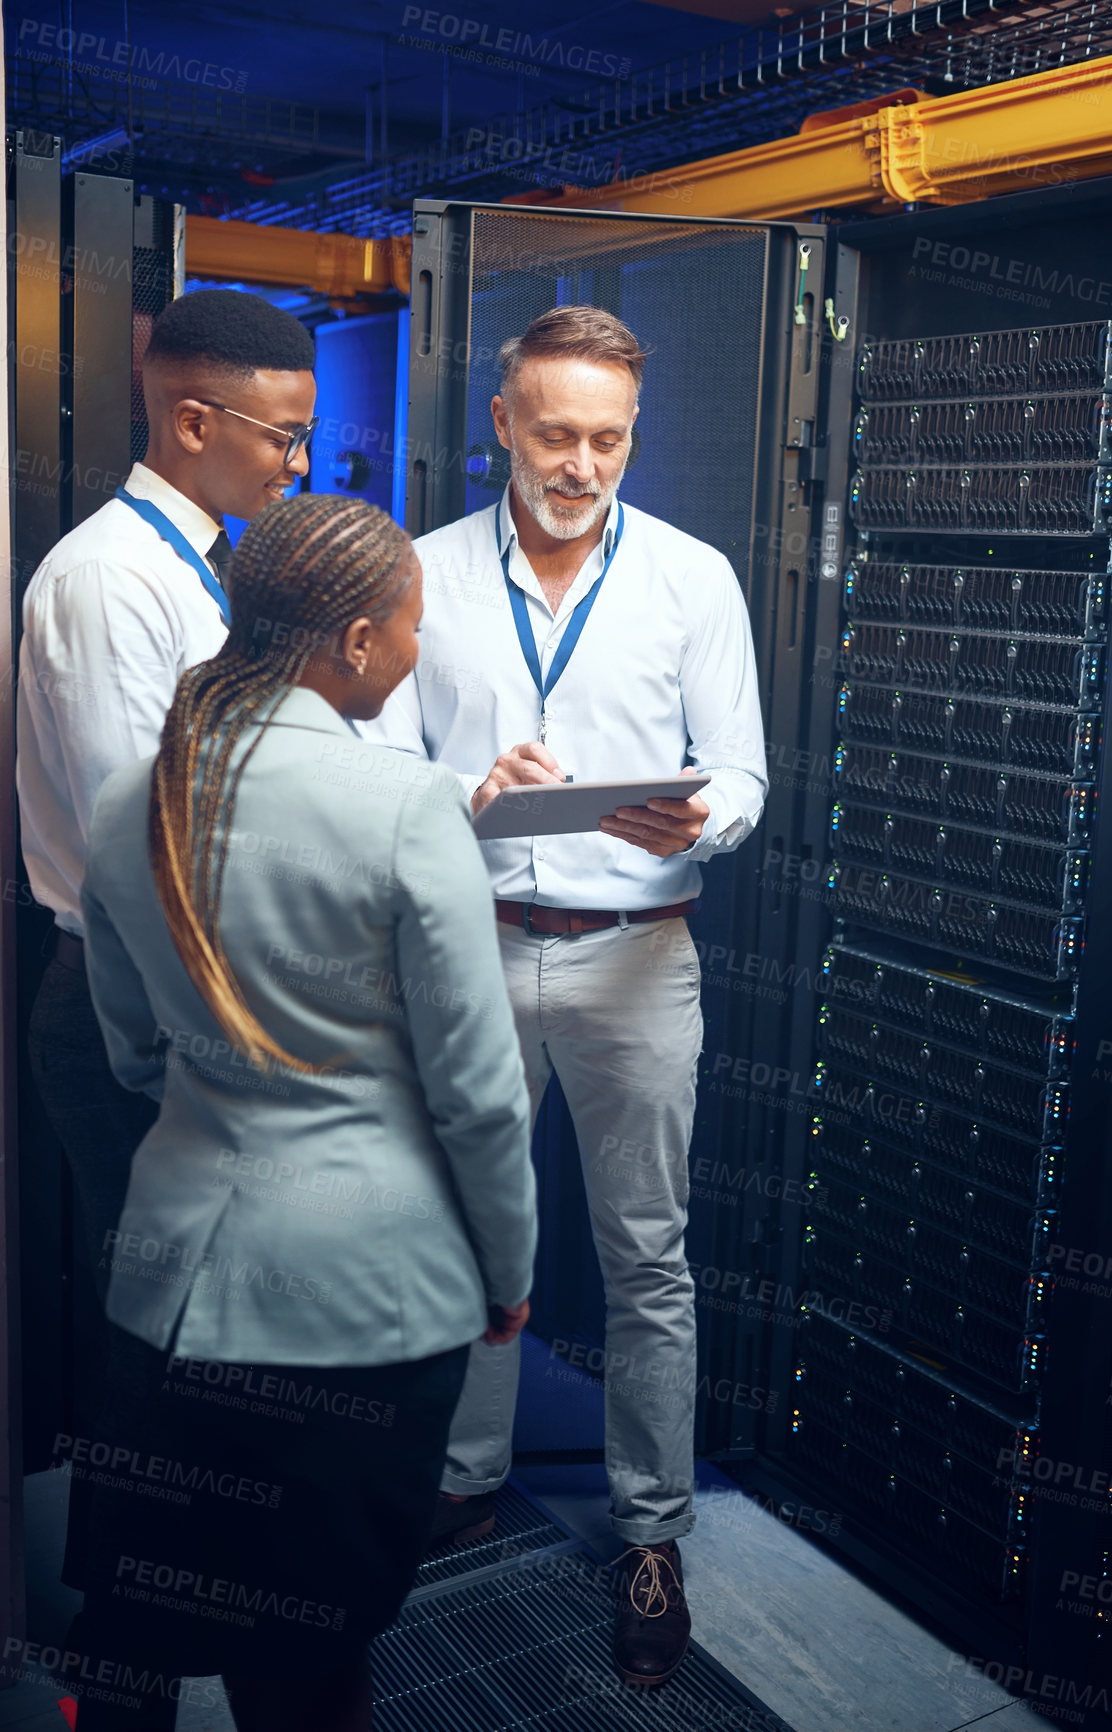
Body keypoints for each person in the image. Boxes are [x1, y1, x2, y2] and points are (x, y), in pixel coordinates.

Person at [64, 493, 537, 1731]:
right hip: (360, 1306)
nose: (417, 649)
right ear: (359, 643)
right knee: (305, 1658)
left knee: (133, 1633)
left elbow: (125, 1054)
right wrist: (507, 1272)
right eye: (411, 626)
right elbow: (480, 1094)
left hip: (165, 1292)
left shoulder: (131, 795)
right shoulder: (406, 804)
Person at [366, 304, 768, 1689]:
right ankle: (462, 1481)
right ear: (502, 424)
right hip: (469, 945)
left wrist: (698, 822)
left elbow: (745, 773)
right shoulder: (420, 575)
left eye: (606, 439)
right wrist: (458, 795)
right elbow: (370, 764)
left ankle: (651, 1533)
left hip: (638, 956)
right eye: (555, 434)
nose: (581, 463)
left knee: (647, 1258)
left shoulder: (692, 579)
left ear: (631, 435)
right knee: (472, 1242)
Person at [16, 286, 317, 1585]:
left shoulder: (194, 567)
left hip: (183, 998)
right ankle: (125, 1637)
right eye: (282, 438)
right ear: (196, 421)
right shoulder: (104, 581)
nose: (297, 465)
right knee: (147, 1328)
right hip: (127, 1003)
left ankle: (170, 1594)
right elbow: (139, 839)